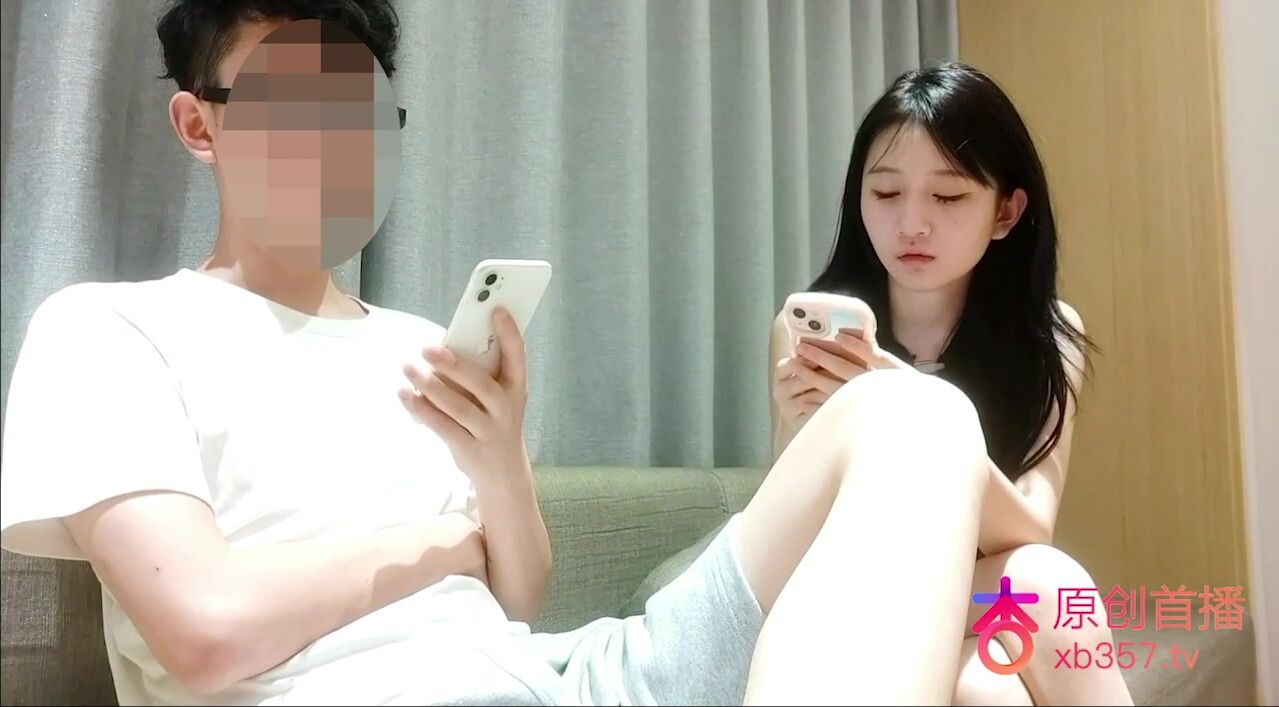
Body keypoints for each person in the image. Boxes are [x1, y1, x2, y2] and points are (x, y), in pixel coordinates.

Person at [0, 2, 1059, 705]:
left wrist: (500, 459)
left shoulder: (421, 343)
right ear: (200, 125)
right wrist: (443, 543)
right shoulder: (107, 329)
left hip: (567, 673)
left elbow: (519, 597)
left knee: (916, 413)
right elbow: (207, 629)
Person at [768, 62, 1134, 705]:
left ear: (1005, 211)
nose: (911, 223)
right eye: (886, 193)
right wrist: (798, 428)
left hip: (973, 593)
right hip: (847, 597)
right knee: (1045, 592)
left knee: (992, 681)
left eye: (948, 197)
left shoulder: (1048, 338)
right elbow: (790, 539)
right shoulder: (811, 332)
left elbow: (1031, 529)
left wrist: (903, 398)